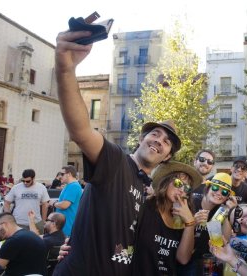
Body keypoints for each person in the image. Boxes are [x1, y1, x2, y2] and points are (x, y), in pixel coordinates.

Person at [53, 26, 182, 275]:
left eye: (166, 142)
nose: (159, 140)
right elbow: (81, 131)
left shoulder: (147, 191)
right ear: (142, 139)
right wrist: (66, 68)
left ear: (167, 157)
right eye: (155, 134)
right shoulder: (114, 161)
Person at [134, 161, 202, 275]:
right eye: (178, 183)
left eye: (187, 188)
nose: (182, 190)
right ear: (165, 182)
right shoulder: (146, 207)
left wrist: (190, 222)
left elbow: (183, 259)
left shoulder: (184, 216)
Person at [178, 172, 237, 275]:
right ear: (208, 187)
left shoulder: (220, 212)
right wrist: (192, 223)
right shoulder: (191, 203)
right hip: (181, 257)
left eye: (224, 192)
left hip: (202, 261)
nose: (219, 193)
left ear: (227, 197)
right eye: (215, 188)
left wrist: (228, 211)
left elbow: (221, 243)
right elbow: (175, 232)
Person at [3, 169, 50, 234]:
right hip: (18, 222)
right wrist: (9, 218)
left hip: (36, 222)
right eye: (23, 181)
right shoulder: (16, 187)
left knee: (36, 243)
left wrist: (43, 221)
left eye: (28, 181)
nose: (25, 183)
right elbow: (7, 202)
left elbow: (45, 204)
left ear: (33, 178)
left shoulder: (41, 188)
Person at [49, 166, 83, 237]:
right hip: (65, 225)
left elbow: (64, 205)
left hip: (67, 227)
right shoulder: (69, 186)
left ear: (69, 174)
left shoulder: (73, 186)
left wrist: (53, 203)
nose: (60, 176)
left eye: (62, 174)